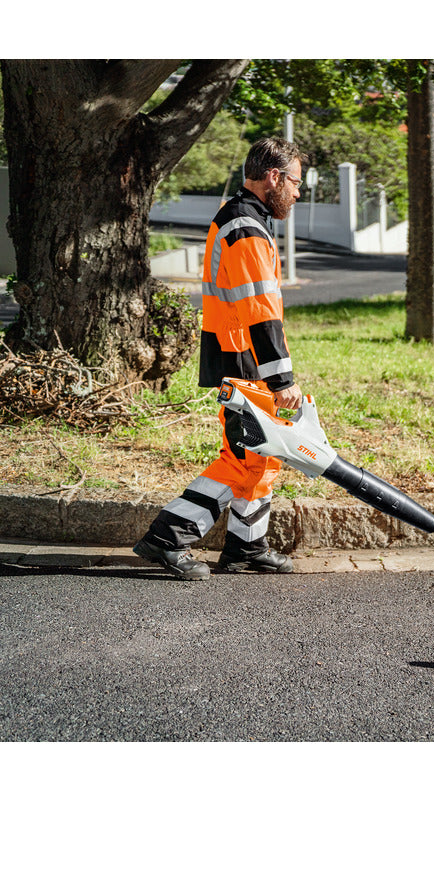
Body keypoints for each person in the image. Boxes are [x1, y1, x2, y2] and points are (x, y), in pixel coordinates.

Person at [134, 137, 306, 581]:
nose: (298, 192)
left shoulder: (247, 219)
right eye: (296, 182)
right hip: (243, 356)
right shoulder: (245, 225)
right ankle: (167, 537)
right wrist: (281, 378)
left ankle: (246, 547)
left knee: (261, 455)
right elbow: (259, 309)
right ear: (274, 177)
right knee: (243, 458)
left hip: (241, 353)